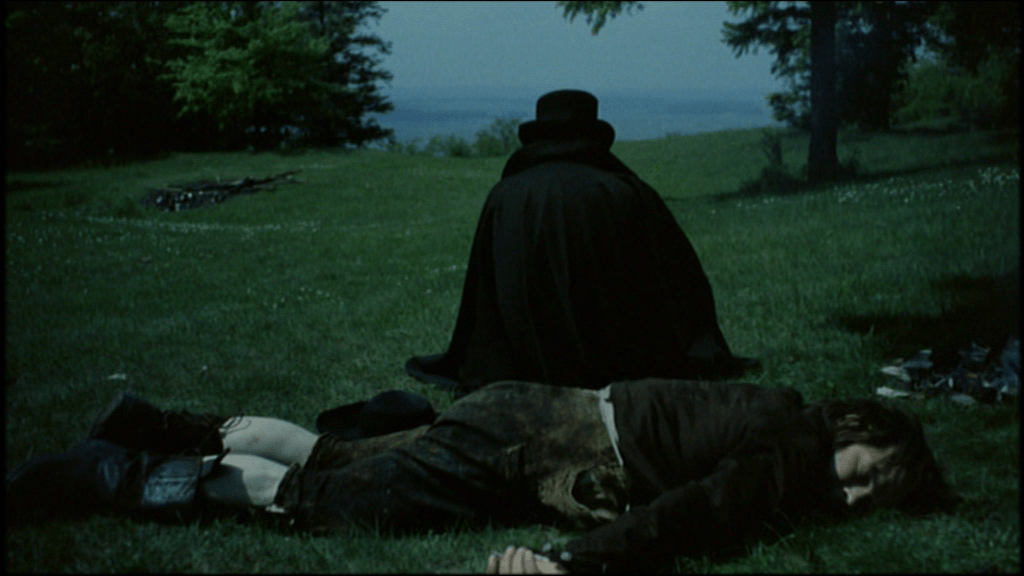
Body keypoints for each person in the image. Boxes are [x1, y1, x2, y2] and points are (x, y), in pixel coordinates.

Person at [7, 380, 957, 573]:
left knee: (337, 458)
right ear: (856, 428)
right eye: (864, 473)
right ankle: (112, 471)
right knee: (331, 502)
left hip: (529, 417)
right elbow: (701, 509)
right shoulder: (789, 448)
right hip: (541, 449)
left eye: (871, 498)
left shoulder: (777, 408)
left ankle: (153, 423)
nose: (851, 496)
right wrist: (573, 563)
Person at [406, 89, 754, 395]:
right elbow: (678, 288)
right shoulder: (629, 193)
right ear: (593, 134)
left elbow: (484, 302)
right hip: (619, 367)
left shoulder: (505, 196)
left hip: (520, 368)